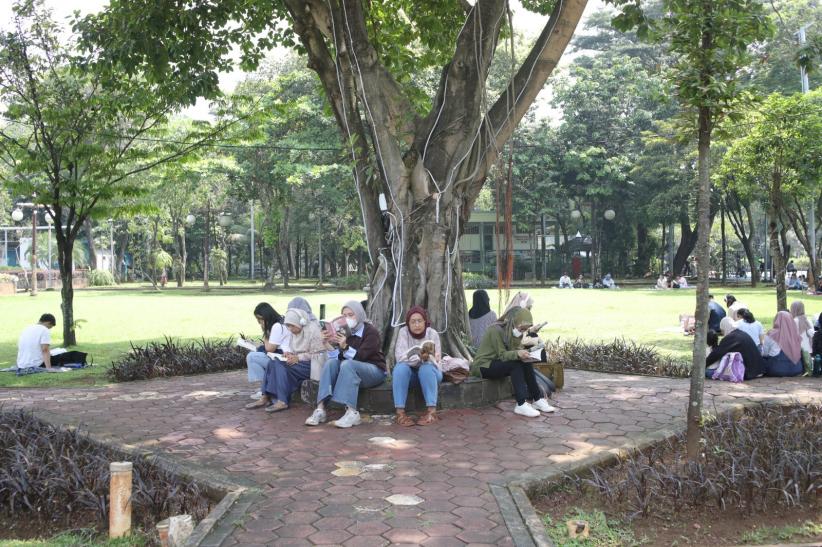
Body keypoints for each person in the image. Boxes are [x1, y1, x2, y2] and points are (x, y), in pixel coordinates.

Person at [305, 301, 386, 428]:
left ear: (359, 314)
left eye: (351, 315)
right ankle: (320, 409)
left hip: (374, 370)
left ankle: (352, 413)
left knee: (348, 364)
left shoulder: (370, 332)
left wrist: (346, 347)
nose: (347, 318)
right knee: (331, 363)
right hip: (352, 371)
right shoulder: (346, 332)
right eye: (344, 315)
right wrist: (326, 343)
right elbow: (338, 357)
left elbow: (362, 356)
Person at [472, 306, 556, 417]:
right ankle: (521, 404)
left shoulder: (511, 331)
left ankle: (537, 399)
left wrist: (523, 353)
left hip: (497, 363)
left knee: (525, 362)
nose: (522, 332)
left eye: (524, 330)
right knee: (515, 365)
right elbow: (503, 355)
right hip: (483, 366)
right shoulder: (495, 330)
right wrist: (518, 353)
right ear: (513, 322)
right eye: (521, 329)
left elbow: (514, 350)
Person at [247, 309, 328, 412]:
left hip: (312, 365)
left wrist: (298, 357)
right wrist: (289, 354)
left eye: (292, 326)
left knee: (280, 365)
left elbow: (318, 354)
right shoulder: (295, 332)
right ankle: (265, 396)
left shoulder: (313, 331)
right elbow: (294, 350)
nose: (290, 329)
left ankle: (282, 401)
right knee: (273, 362)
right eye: (288, 326)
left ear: (300, 322)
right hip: (299, 362)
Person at [392, 306, 442, 426]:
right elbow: (400, 357)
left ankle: (432, 412)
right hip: (411, 375)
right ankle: (400, 413)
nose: (417, 325)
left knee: (426, 368)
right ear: (408, 323)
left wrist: (431, 358)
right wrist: (419, 358)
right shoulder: (403, 332)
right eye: (413, 322)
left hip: (431, 374)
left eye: (419, 321)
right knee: (400, 369)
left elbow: (436, 361)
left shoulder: (432, 334)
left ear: (425, 321)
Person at [246, 303, 291, 398]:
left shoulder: (277, 326)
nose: (259, 322)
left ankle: (264, 390)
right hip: (282, 356)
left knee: (251, 357)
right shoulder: (280, 322)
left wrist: (265, 330)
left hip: (282, 359)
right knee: (254, 355)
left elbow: (269, 349)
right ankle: (264, 389)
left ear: (266, 316)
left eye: (260, 319)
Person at [762, 311, 803, 377]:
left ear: (776, 320)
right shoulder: (796, 334)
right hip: (796, 369)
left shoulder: (771, 334)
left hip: (775, 369)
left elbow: (765, 353)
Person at [790, 300, 814, 369]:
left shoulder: (794, 321)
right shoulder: (808, 320)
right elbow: (811, 334)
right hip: (808, 349)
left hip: (799, 350)